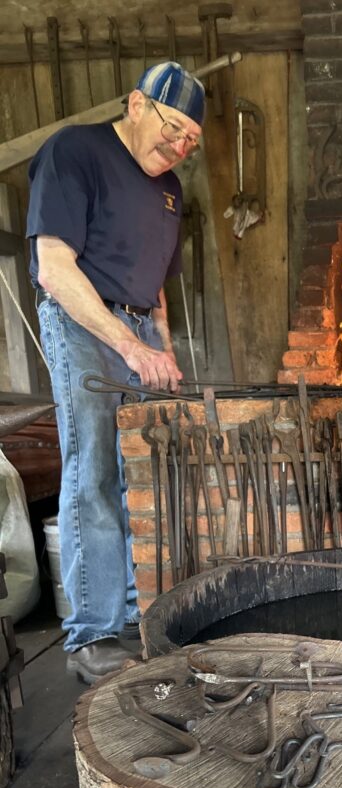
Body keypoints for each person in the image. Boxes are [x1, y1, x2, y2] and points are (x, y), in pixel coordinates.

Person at [27, 62, 204, 683]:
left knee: (141, 478)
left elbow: (155, 286)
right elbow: (54, 268)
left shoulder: (171, 191)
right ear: (136, 104)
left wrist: (164, 347)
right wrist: (131, 348)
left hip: (138, 332)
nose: (179, 145)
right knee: (95, 472)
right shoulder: (75, 152)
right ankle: (93, 635)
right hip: (84, 327)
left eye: (191, 140)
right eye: (173, 127)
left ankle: (133, 619)